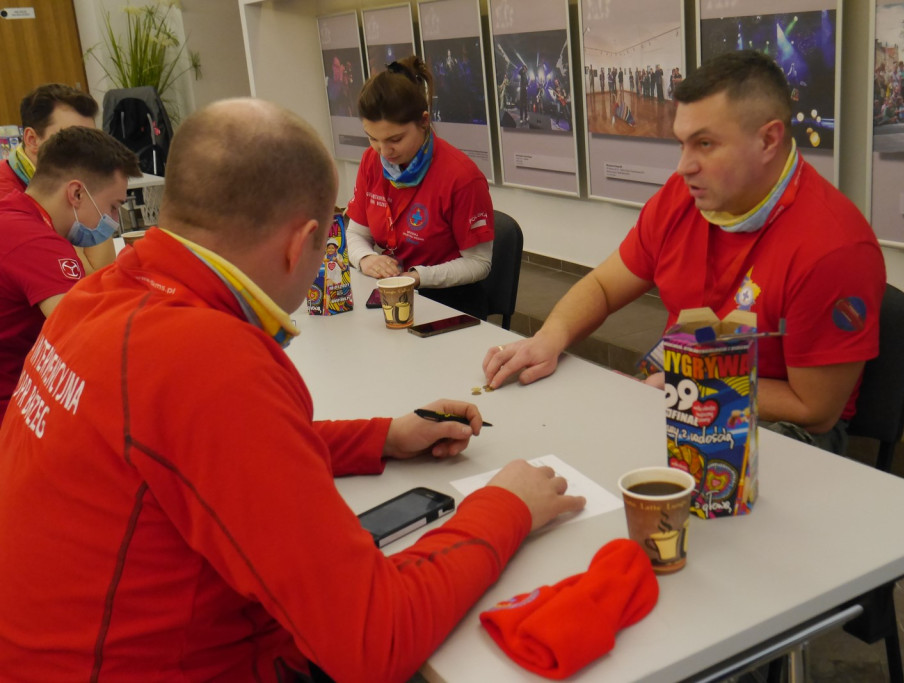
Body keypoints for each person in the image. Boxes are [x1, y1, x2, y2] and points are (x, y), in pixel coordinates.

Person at [0, 98, 584, 681]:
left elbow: (213, 453)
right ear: (301, 241)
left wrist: (382, 437)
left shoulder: (101, 296)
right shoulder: (208, 359)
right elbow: (372, 640)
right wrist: (507, 506)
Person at [482, 51, 885, 454]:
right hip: (680, 377)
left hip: (780, 422)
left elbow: (815, 410)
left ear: (768, 140)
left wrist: (690, 386)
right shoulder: (684, 198)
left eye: (705, 144)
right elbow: (605, 286)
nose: (683, 167)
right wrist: (551, 338)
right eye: (682, 144)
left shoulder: (834, 250)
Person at [0, 126, 140, 420]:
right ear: (76, 193)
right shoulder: (38, 243)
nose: (112, 222)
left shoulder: (12, 213)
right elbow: (91, 340)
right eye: (113, 207)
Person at [346, 55, 495, 318]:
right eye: (373, 139)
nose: (384, 151)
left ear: (424, 121)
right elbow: (357, 233)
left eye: (395, 139)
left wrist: (417, 277)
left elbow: (478, 263)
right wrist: (366, 259)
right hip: (395, 295)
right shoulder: (372, 160)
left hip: (450, 304)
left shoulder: (461, 177)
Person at [0, 83, 115, 275]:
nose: (85, 152)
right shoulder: (6, 197)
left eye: (91, 139)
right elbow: (80, 276)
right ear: (32, 139)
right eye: (70, 138)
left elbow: (105, 271)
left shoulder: (75, 180)